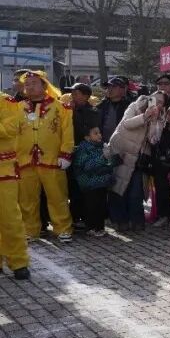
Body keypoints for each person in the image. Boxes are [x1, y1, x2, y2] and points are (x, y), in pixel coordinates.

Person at [15, 71, 75, 244]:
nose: (29, 87)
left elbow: (67, 131)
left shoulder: (60, 107)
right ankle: (30, 230)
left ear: (44, 85)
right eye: (27, 84)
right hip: (25, 161)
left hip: (52, 160)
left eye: (34, 83)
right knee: (27, 199)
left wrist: (65, 153)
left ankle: (63, 228)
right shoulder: (17, 108)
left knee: (57, 197)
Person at [106, 92, 164, 233]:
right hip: (122, 152)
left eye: (161, 102)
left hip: (139, 159)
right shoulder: (135, 106)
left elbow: (154, 140)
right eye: (155, 99)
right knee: (118, 188)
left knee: (136, 192)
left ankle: (137, 221)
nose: (157, 103)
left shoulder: (160, 118)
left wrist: (154, 120)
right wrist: (144, 116)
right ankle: (120, 221)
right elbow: (127, 124)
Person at [0, 92, 29, 278]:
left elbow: (10, 129)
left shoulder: (6, 101)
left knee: (10, 218)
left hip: (3, 171)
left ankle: (18, 262)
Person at [67, 83, 99, 231]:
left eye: (76, 93)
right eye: (72, 93)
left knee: (85, 188)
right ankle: (74, 217)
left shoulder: (93, 112)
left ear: (86, 96)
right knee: (72, 187)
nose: (72, 96)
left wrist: (73, 113)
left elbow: (86, 132)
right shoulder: (68, 109)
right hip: (70, 153)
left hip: (86, 154)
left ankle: (86, 219)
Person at [73, 126, 114, 238]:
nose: (99, 135)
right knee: (92, 205)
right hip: (89, 182)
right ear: (87, 137)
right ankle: (91, 227)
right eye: (95, 133)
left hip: (101, 181)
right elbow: (87, 166)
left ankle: (100, 228)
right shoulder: (83, 149)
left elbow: (109, 164)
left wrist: (110, 158)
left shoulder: (101, 146)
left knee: (101, 205)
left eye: (99, 132)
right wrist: (103, 158)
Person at [98, 76, 133, 143]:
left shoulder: (130, 106)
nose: (110, 89)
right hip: (103, 143)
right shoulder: (102, 105)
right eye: (108, 87)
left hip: (121, 143)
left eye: (114, 87)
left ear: (123, 90)